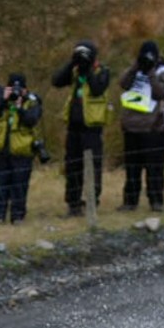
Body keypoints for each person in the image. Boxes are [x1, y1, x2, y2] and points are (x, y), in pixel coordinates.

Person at [51, 40, 113, 216]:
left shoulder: (103, 71)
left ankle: (92, 202)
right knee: (72, 167)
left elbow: (97, 89)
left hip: (92, 128)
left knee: (93, 167)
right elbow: (56, 81)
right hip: (73, 127)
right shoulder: (75, 71)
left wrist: (88, 69)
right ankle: (73, 204)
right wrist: (72, 62)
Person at [117, 39, 164, 211]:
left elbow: (161, 93)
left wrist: (150, 71)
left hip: (154, 129)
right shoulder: (134, 70)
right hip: (131, 127)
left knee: (155, 169)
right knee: (131, 169)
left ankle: (156, 201)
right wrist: (136, 67)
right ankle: (130, 201)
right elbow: (123, 83)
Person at [0, 73, 43, 224]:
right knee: (0, 185)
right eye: (13, 88)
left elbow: (31, 120)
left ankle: (18, 216)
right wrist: (3, 99)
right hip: (3, 149)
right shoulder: (2, 101)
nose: (16, 91)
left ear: (25, 89)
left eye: (19, 88)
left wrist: (19, 108)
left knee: (19, 186)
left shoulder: (32, 102)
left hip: (22, 151)